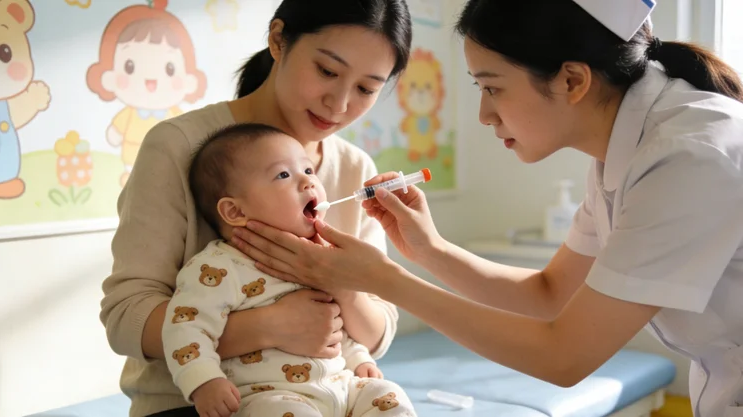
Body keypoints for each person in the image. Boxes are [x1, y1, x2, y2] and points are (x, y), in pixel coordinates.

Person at [228, 0, 743, 416]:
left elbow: (564, 355)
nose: (483, 114)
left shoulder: (687, 156)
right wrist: (430, 250)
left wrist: (382, 278)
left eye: (492, 87)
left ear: (572, 80)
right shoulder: (623, 152)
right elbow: (551, 294)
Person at [98, 1, 413, 416]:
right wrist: (270, 326)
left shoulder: (356, 169)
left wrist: (343, 283)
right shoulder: (178, 146)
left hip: (332, 399)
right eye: (327, 71)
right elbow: (126, 318)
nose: (339, 104)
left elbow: (377, 334)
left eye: (366, 89)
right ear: (278, 40)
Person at [163, 123, 415, 417]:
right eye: (283, 175)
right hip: (270, 397)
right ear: (236, 211)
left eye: (308, 170)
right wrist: (204, 382)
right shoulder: (219, 266)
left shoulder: (323, 258)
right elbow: (185, 327)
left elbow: (335, 323)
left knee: (387, 396)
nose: (308, 182)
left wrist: (358, 358)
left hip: (341, 389)